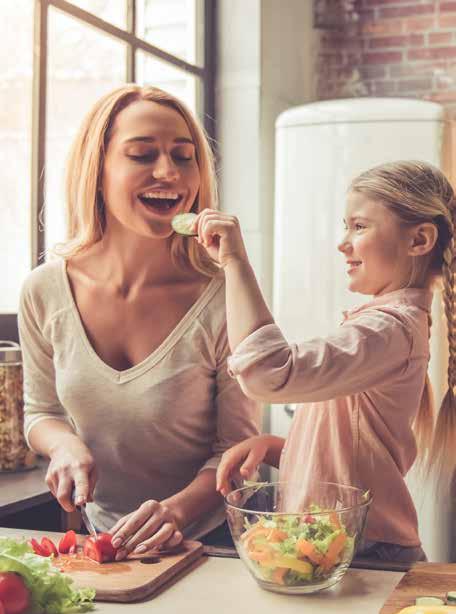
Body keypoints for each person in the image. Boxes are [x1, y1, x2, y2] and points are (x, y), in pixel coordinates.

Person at [18, 85, 260, 559]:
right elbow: (40, 413)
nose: (169, 173)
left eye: (184, 156)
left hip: (214, 544)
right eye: (142, 154)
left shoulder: (223, 295)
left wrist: (175, 512)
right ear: (99, 169)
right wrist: (64, 445)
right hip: (103, 540)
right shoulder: (43, 291)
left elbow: (238, 450)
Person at [191, 160, 456, 563]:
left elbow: (267, 373)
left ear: (419, 240)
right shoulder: (387, 327)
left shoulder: (390, 329)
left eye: (360, 226)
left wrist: (235, 263)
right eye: (345, 226)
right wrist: (277, 447)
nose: (343, 242)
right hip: (347, 551)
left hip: (367, 555)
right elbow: (350, 454)